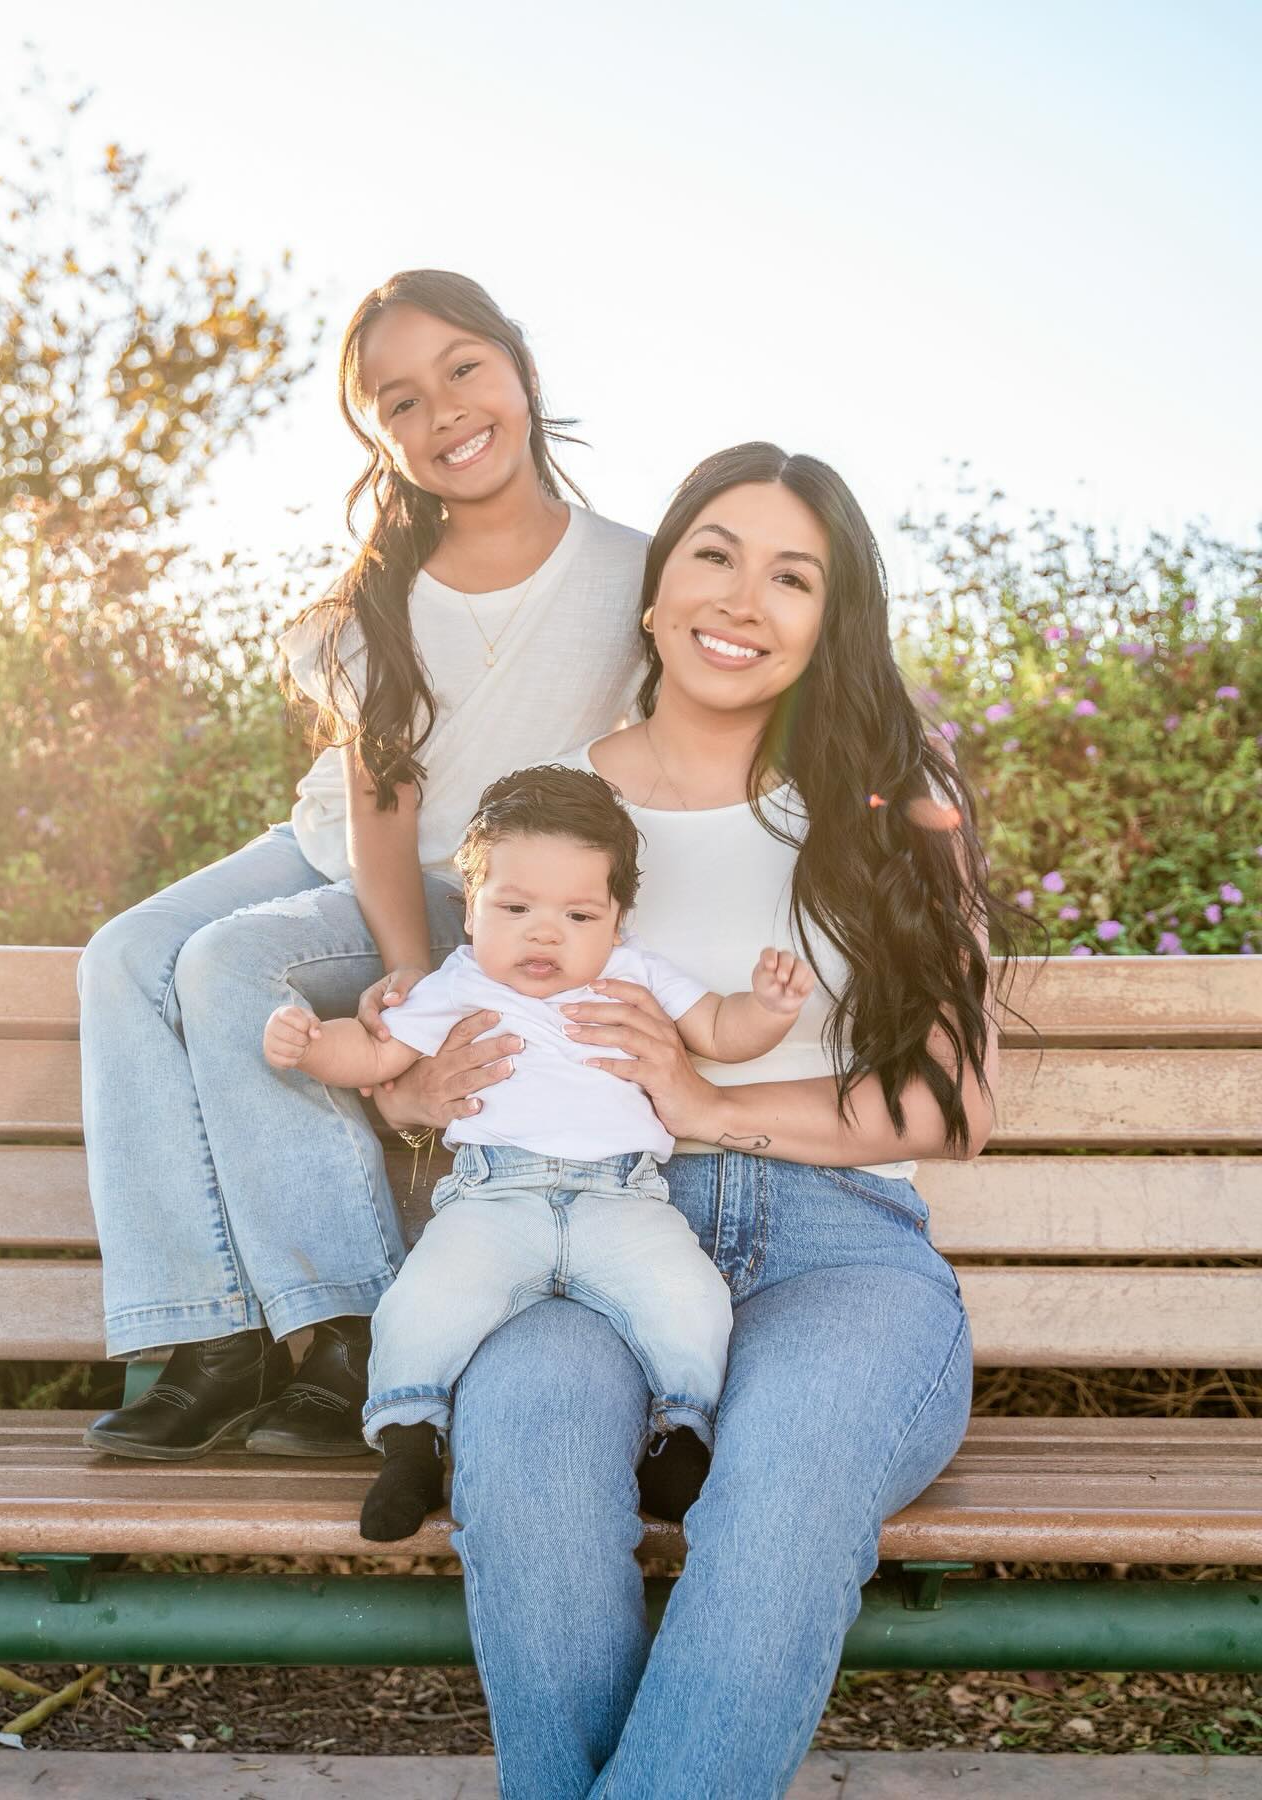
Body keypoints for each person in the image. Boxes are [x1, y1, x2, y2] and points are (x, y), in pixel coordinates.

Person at [369, 443, 1028, 1797]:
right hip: (579, 1236)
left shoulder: (891, 807)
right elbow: (433, 1020)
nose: (745, 597)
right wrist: (412, 1086)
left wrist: (712, 1099)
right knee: (528, 1445)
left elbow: (952, 1101)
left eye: (795, 576)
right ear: (659, 583)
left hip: (838, 1253)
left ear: (827, 623)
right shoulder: (546, 801)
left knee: (783, 1487)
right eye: (716, 553)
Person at [79, 270, 648, 1460]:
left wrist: (421, 974)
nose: (441, 411)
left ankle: (346, 1337)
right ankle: (211, 1338)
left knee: (233, 967)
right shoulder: (380, 600)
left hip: (482, 891)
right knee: (126, 955)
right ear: (379, 437)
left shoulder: (635, 578)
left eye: (463, 370)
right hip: (342, 856)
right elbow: (371, 804)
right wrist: (401, 970)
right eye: (399, 401)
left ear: (523, 374)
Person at [261, 763, 817, 1538]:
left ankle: (679, 1438)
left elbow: (722, 1030)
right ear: (471, 912)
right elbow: (377, 1056)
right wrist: (315, 1046)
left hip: (624, 1200)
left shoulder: (637, 974)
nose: (544, 932)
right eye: (515, 907)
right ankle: (411, 1441)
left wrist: (769, 1007)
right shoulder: (457, 985)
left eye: (579, 915)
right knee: (424, 1305)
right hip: (495, 1200)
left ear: (619, 922)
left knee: (690, 1303)